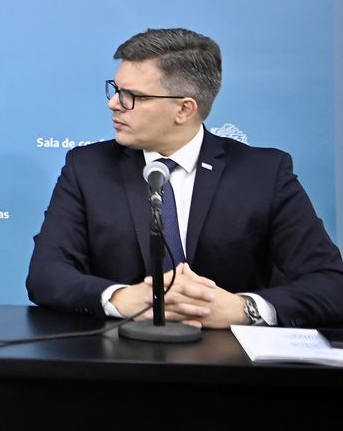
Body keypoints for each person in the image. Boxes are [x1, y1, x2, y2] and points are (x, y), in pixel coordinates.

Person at [27, 28, 343, 329]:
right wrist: (122, 298)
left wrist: (242, 308)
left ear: (184, 109)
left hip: (231, 369)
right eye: (115, 89)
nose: (114, 104)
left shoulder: (263, 173)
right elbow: (46, 274)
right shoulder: (88, 168)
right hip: (117, 359)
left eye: (131, 96)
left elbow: (330, 283)